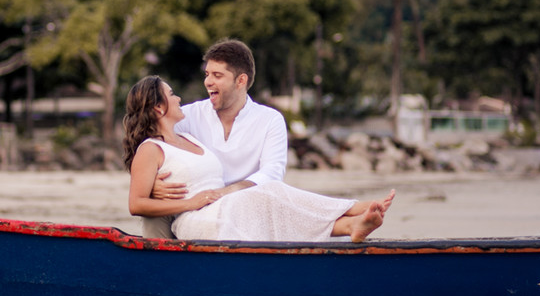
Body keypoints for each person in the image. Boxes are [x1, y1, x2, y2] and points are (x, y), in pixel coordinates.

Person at [124, 75, 393, 243]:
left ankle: (350, 223)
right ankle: (352, 210)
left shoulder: (190, 138)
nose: (179, 97)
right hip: (198, 220)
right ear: (159, 107)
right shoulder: (150, 148)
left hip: (222, 209)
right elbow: (136, 204)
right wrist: (188, 202)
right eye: (171, 94)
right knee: (267, 192)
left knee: (269, 196)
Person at [145, 39, 286, 237]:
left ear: (241, 81)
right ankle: (157, 263)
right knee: (155, 208)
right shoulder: (187, 116)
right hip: (195, 208)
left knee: (284, 199)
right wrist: (152, 184)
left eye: (217, 75)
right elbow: (146, 147)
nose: (208, 82)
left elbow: (272, 173)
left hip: (245, 206)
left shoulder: (270, 120)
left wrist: (227, 192)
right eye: (207, 74)